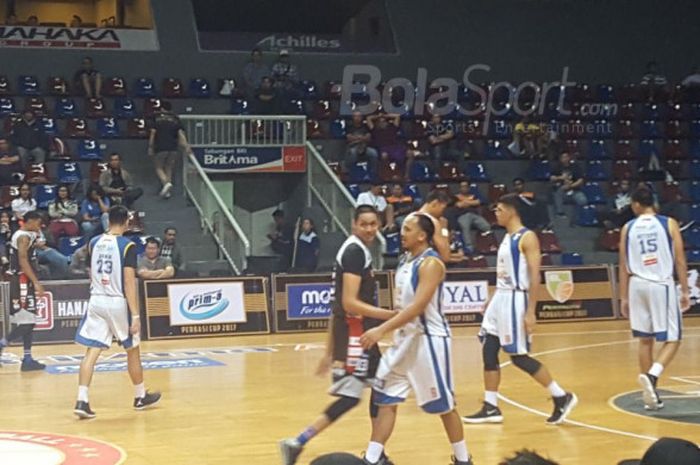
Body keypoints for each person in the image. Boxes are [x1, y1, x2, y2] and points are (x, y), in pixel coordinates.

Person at [279, 206, 397, 465]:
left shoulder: (355, 250)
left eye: (373, 224)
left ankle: (377, 453)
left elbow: (337, 308)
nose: (369, 229)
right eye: (364, 224)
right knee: (363, 396)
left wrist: (329, 350)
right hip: (357, 335)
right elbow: (348, 304)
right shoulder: (354, 252)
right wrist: (390, 315)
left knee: (380, 391)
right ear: (354, 224)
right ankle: (298, 441)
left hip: (356, 334)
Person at [359, 214, 473, 465]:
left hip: (428, 341)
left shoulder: (431, 264)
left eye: (408, 229)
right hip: (404, 340)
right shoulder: (405, 260)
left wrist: (381, 329)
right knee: (384, 396)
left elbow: (418, 307)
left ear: (422, 236)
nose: (402, 233)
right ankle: (372, 458)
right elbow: (404, 307)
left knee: (444, 406)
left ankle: (463, 459)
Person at [463, 194, 577, 425]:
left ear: (511, 211)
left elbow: (535, 275)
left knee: (519, 358)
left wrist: (531, 310)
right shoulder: (506, 237)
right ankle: (491, 406)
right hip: (502, 298)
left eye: (499, 209)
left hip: (516, 299)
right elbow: (505, 272)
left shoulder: (527, 237)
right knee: (489, 350)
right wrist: (493, 295)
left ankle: (561, 396)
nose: (496, 213)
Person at [74, 205, 161, 419]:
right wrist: (136, 315)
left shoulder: (93, 242)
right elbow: (129, 282)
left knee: (91, 351)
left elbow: (90, 270)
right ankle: (140, 396)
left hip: (96, 299)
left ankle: (82, 400)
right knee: (132, 349)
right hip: (116, 301)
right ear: (126, 222)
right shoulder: (127, 245)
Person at [618, 187, 689, 411]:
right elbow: (679, 260)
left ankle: (650, 395)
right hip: (660, 283)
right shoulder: (668, 223)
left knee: (645, 339)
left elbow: (622, 264)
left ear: (636, 204)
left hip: (637, 284)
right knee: (674, 338)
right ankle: (653, 376)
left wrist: (623, 297)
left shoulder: (627, 228)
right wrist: (685, 290)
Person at [0, 211, 46, 371]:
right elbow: (23, 261)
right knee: (27, 323)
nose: (39, 226)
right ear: (31, 221)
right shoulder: (23, 237)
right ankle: (2, 344)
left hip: (24, 282)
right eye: (38, 223)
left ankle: (27, 358)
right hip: (22, 283)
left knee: (29, 321)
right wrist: (36, 282)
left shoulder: (28, 235)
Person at [149, 101, 192, 199]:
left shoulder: (156, 118)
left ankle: (166, 183)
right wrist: (186, 146)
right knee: (169, 168)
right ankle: (167, 191)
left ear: (162, 109)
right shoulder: (175, 119)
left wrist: (150, 147)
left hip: (160, 147)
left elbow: (153, 133)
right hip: (173, 147)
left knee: (158, 167)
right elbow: (180, 134)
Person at [407, 189, 452, 262]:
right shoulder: (431, 221)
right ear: (435, 203)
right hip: (424, 266)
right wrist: (444, 229)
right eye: (443, 209)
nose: (442, 213)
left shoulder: (411, 218)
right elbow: (445, 256)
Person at [366, 113, 410, 179]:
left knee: (410, 154)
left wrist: (385, 116)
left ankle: (406, 175)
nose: (382, 123)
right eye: (380, 122)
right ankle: (388, 173)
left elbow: (397, 116)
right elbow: (368, 118)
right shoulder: (375, 129)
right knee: (384, 156)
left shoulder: (392, 127)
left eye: (384, 121)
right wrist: (378, 116)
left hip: (395, 147)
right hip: (383, 148)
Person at [452, 181, 490, 254]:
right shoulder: (455, 197)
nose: (464, 188)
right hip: (462, 216)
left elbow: (483, 201)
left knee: (486, 226)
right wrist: (472, 202)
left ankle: (484, 244)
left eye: (466, 186)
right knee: (465, 227)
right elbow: (457, 205)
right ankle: (469, 248)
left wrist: (465, 202)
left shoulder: (474, 195)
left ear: (469, 188)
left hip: (474, 215)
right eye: (462, 186)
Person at [549, 152, 587, 217]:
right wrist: (561, 177)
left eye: (566, 157)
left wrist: (570, 186)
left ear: (569, 157)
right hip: (562, 190)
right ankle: (560, 213)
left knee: (583, 200)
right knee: (557, 193)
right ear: (560, 159)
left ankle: (579, 217)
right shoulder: (557, 167)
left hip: (574, 190)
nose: (565, 159)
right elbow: (552, 178)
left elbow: (581, 180)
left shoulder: (575, 167)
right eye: (563, 157)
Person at [345, 111, 379, 175]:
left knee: (374, 153)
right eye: (355, 116)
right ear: (353, 117)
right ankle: (352, 172)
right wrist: (362, 138)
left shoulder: (366, 127)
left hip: (365, 147)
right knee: (352, 153)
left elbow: (368, 138)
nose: (357, 118)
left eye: (359, 116)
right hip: (353, 147)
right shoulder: (349, 127)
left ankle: (373, 172)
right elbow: (349, 138)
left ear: (362, 117)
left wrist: (356, 138)